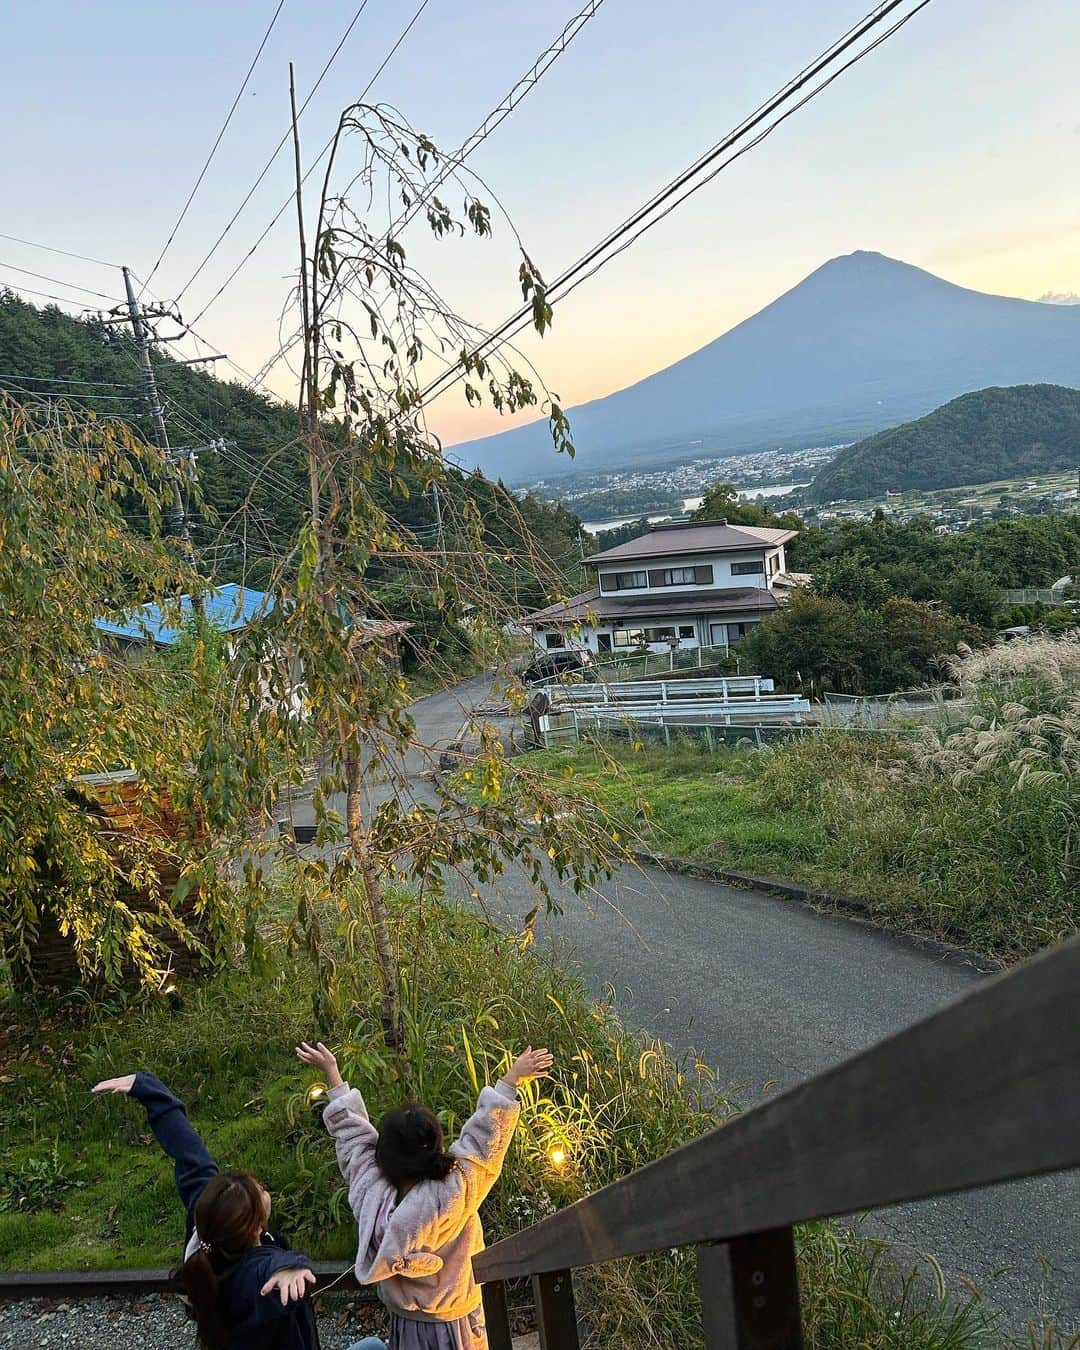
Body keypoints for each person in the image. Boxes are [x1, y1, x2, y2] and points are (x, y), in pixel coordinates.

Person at [295, 1040, 553, 1350]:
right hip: (454, 1323)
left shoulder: (370, 1194)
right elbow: (484, 1144)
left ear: (383, 1154)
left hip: (407, 1323)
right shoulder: (451, 1195)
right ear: (435, 1148)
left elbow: (353, 1142)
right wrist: (510, 1080)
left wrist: (333, 1075)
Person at [91, 1071, 319, 1350]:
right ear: (255, 1226)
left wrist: (146, 1087)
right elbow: (266, 1270)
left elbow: (190, 1153)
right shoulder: (259, 1282)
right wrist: (288, 1265)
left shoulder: (207, 1229)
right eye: (260, 1191)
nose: (263, 1187)